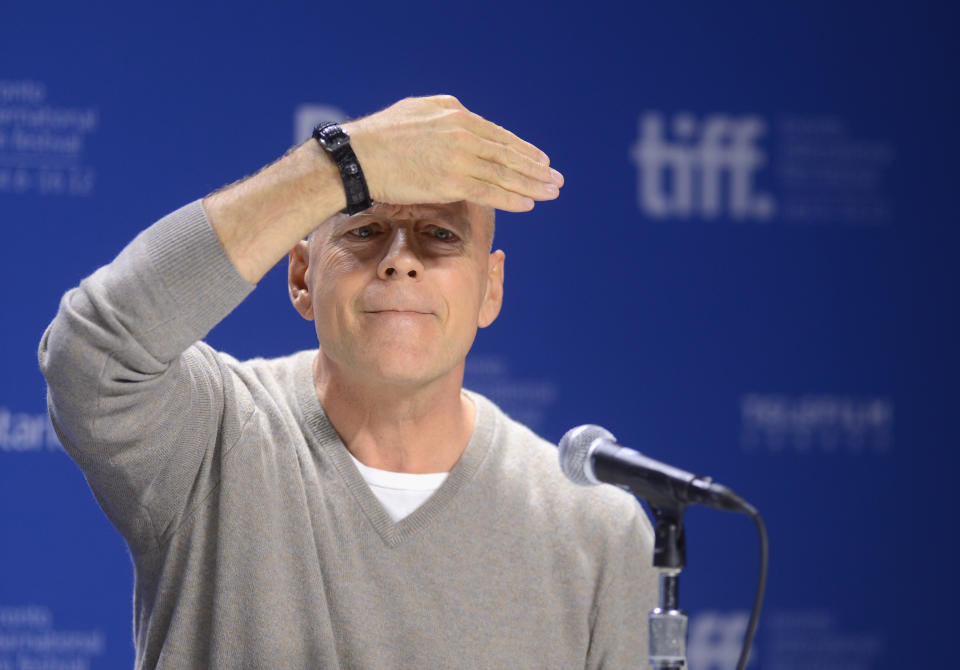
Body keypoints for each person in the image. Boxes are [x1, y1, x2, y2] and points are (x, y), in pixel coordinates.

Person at [39, 95, 657, 669]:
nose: (399, 258)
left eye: (440, 235)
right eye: (363, 231)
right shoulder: (212, 432)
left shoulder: (596, 528)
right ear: (302, 278)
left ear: (490, 289)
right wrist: (336, 165)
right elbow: (90, 354)